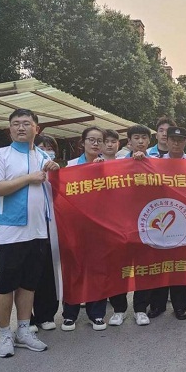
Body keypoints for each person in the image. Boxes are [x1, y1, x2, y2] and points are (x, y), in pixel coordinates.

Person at [0, 108, 59, 358]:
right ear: (9, 129)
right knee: (6, 284)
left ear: (36, 128)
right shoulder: (0, 155)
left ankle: (24, 330)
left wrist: (54, 170)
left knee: (29, 284)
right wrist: (29, 178)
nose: (20, 127)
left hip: (38, 231)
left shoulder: (43, 156)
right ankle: (5, 334)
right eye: (16, 123)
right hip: (9, 232)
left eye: (26, 123)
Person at [108, 124, 157, 326]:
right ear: (129, 141)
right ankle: (118, 309)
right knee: (118, 267)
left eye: (144, 137)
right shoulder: (117, 163)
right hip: (121, 224)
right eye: (136, 137)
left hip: (147, 223)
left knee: (144, 268)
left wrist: (146, 164)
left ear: (149, 141)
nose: (140, 141)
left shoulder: (157, 162)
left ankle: (140, 308)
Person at [60, 127, 108, 332]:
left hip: (100, 228)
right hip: (75, 227)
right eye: (91, 140)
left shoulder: (111, 167)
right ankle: (69, 314)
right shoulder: (71, 166)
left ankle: (96, 313)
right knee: (74, 269)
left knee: (98, 271)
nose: (95, 144)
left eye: (99, 140)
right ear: (83, 142)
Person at [147, 127, 186, 320]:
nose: (176, 143)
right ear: (166, 141)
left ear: (185, 142)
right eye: (172, 139)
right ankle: (157, 305)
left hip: (184, 219)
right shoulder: (154, 162)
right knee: (160, 263)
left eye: (180, 140)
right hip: (161, 216)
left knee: (180, 264)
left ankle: (180, 306)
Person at [29, 134, 60, 333]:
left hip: (51, 228)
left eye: (50, 148)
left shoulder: (58, 170)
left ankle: (46, 315)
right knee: (29, 273)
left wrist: (57, 174)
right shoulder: (27, 169)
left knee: (49, 272)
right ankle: (28, 318)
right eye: (42, 147)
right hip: (30, 226)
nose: (47, 151)